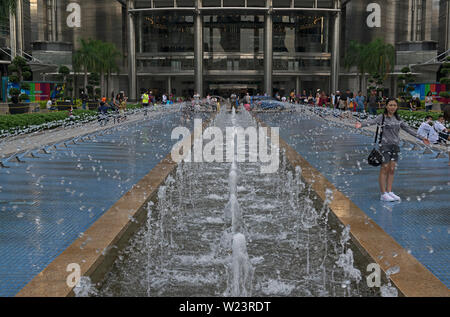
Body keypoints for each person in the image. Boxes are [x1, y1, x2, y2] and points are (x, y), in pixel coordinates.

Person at [355, 98, 430, 202]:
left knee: (392, 169)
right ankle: (383, 193)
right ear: (386, 106)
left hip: (395, 146)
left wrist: (422, 138)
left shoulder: (398, 118)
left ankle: (389, 191)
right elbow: (371, 122)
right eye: (390, 105)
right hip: (385, 146)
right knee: (384, 168)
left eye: (394, 105)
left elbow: (408, 129)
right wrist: (361, 125)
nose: (392, 107)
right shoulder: (382, 117)